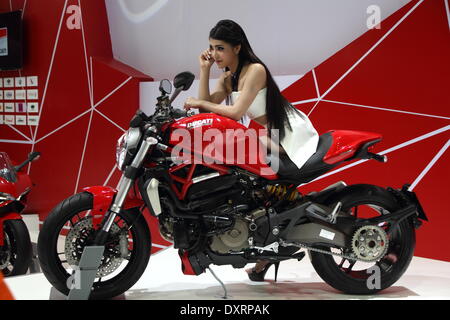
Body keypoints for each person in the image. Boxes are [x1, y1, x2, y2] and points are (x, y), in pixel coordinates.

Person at [184, 19, 319, 282]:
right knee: (245, 181)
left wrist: (200, 101)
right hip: (271, 135)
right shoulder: (227, 77)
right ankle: (264, 251)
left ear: (237, 47)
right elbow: (205, 109)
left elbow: (234, 112)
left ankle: (268, 250)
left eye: (220, 48)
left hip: (290, 135)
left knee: (256, 182)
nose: (214, 54)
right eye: (211, 48)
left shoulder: (255, 70)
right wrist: (204, 70)